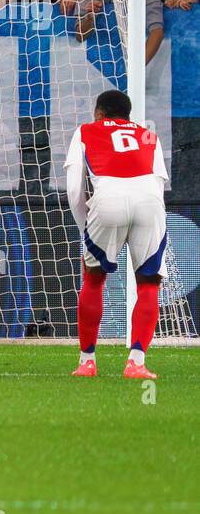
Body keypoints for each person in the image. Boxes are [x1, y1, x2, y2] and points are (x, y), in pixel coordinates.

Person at [64, 90, 169, 379]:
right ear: (128, 116)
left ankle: (87, 362)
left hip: (107, 198)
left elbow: (75, 188)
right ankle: (136, 362)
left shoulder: (86, 130)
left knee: (94, 279)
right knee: (148, 283)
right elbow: (159, 181)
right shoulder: (149, 135)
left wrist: (83, 226)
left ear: (99, 113)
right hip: (149, 201)